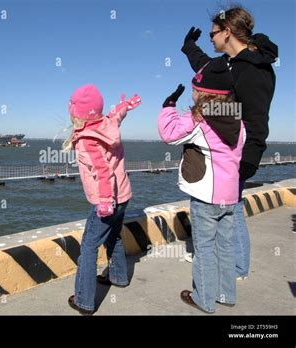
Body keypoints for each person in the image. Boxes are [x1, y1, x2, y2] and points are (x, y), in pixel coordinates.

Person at [181, 6, 278, 279]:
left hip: (237, 155)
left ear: (227, 32)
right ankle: (233, 266)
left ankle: (235, 268)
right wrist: (188, 47)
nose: (210, 39)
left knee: (231, 211)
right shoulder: (229, 64)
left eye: (213, 33)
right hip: (223, 151)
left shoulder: (254, 69)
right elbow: (205, 67)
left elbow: (255, 118)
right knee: (228, 209)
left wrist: (248, 160)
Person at [158, 58, 246, 313]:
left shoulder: (200, 121)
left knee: (204, 249)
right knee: (225, 247)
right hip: (229, 196)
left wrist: (169, 106)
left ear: (203, 93)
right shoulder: (239, 122)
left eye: (195, 89)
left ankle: (204, 299)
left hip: (206, 197)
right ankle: (226, 294)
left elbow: (169, 134)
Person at [64, 84, 141, 315]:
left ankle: (84, 300)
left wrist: (105, 201)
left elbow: (103, 172)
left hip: (106, 201)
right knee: (114, 236)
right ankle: (118, 277)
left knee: (88, 246)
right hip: (123, 196)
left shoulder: (88, 139)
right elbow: (116, 114)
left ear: (76, 114)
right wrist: (126, 106)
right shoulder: (107, 124)